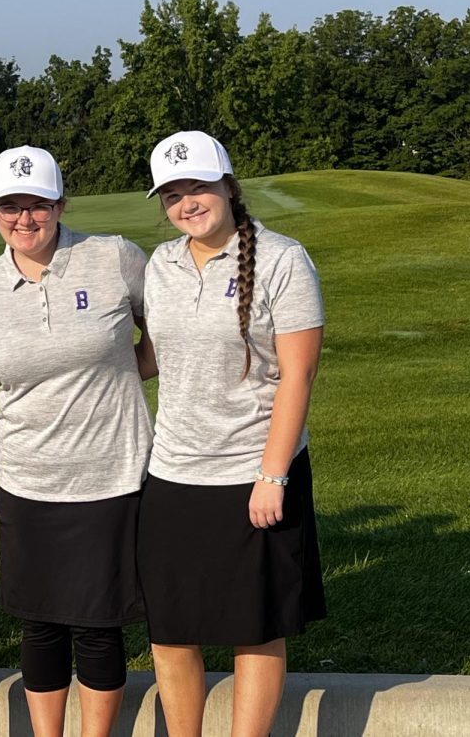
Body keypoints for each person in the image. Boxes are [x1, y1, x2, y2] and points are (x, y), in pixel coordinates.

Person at [0, 146, 154, 737]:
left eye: (37, 205)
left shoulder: (113, 257)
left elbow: (164, 335)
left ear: (61, 205)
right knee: (39, 625)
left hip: (111, 476)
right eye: (10, 206)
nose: (24, 219)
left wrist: (118, 372)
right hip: (29, 479)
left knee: (98, 625)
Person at [138, 130, 326, 737]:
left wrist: (273, 476)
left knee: (256, 628)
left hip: (253, 471)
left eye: (197, 187)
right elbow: (149, 355)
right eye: (172, 194)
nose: (187, 203)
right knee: (170, 630)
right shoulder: (161, 264)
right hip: (173, 472)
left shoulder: (281, 258)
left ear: (228, 185)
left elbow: (298, 375)